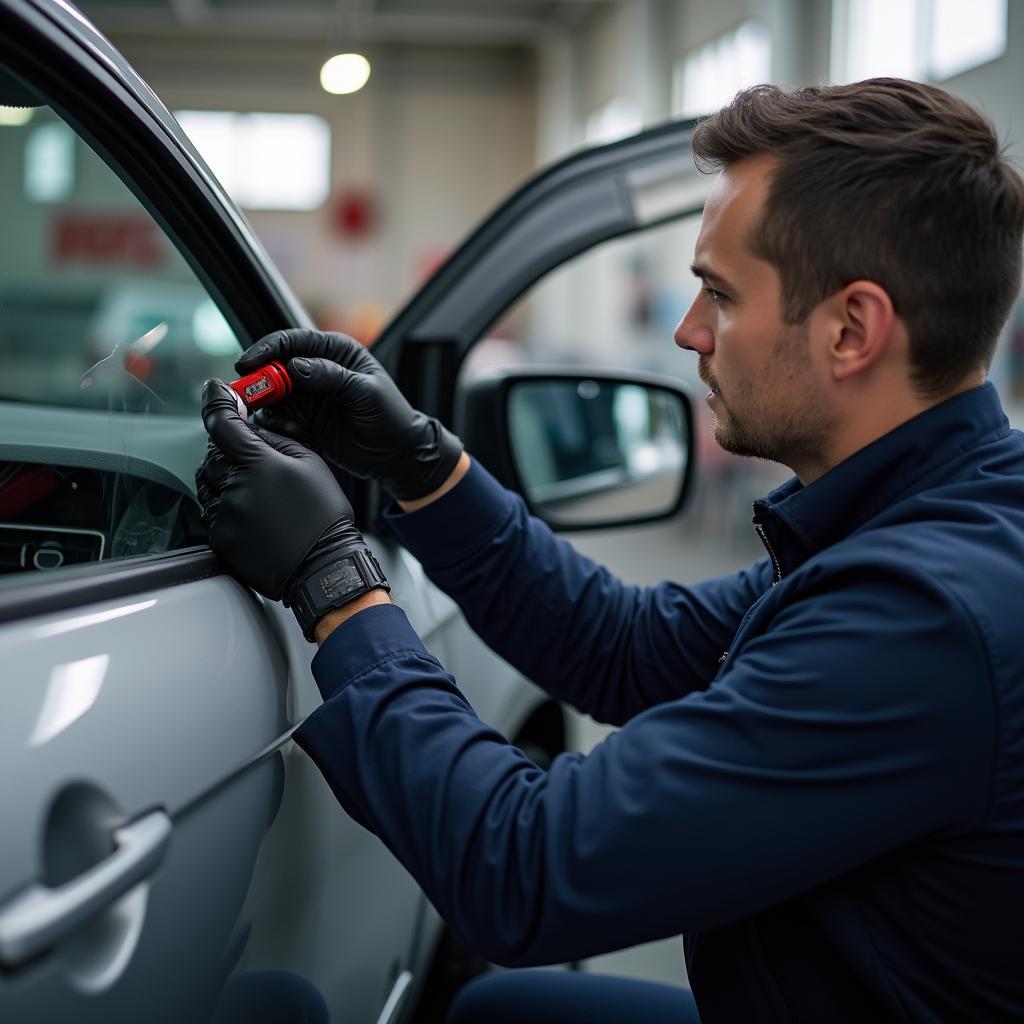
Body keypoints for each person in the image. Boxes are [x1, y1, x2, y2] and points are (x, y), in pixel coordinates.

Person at [196, 79, 1024, 1023]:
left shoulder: (921, 618)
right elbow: (630, 647)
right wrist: (422, 463)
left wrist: (336, 584)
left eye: (718, 292)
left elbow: (526, 868)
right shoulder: (939, 518)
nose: (688, 332)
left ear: (852, 329)